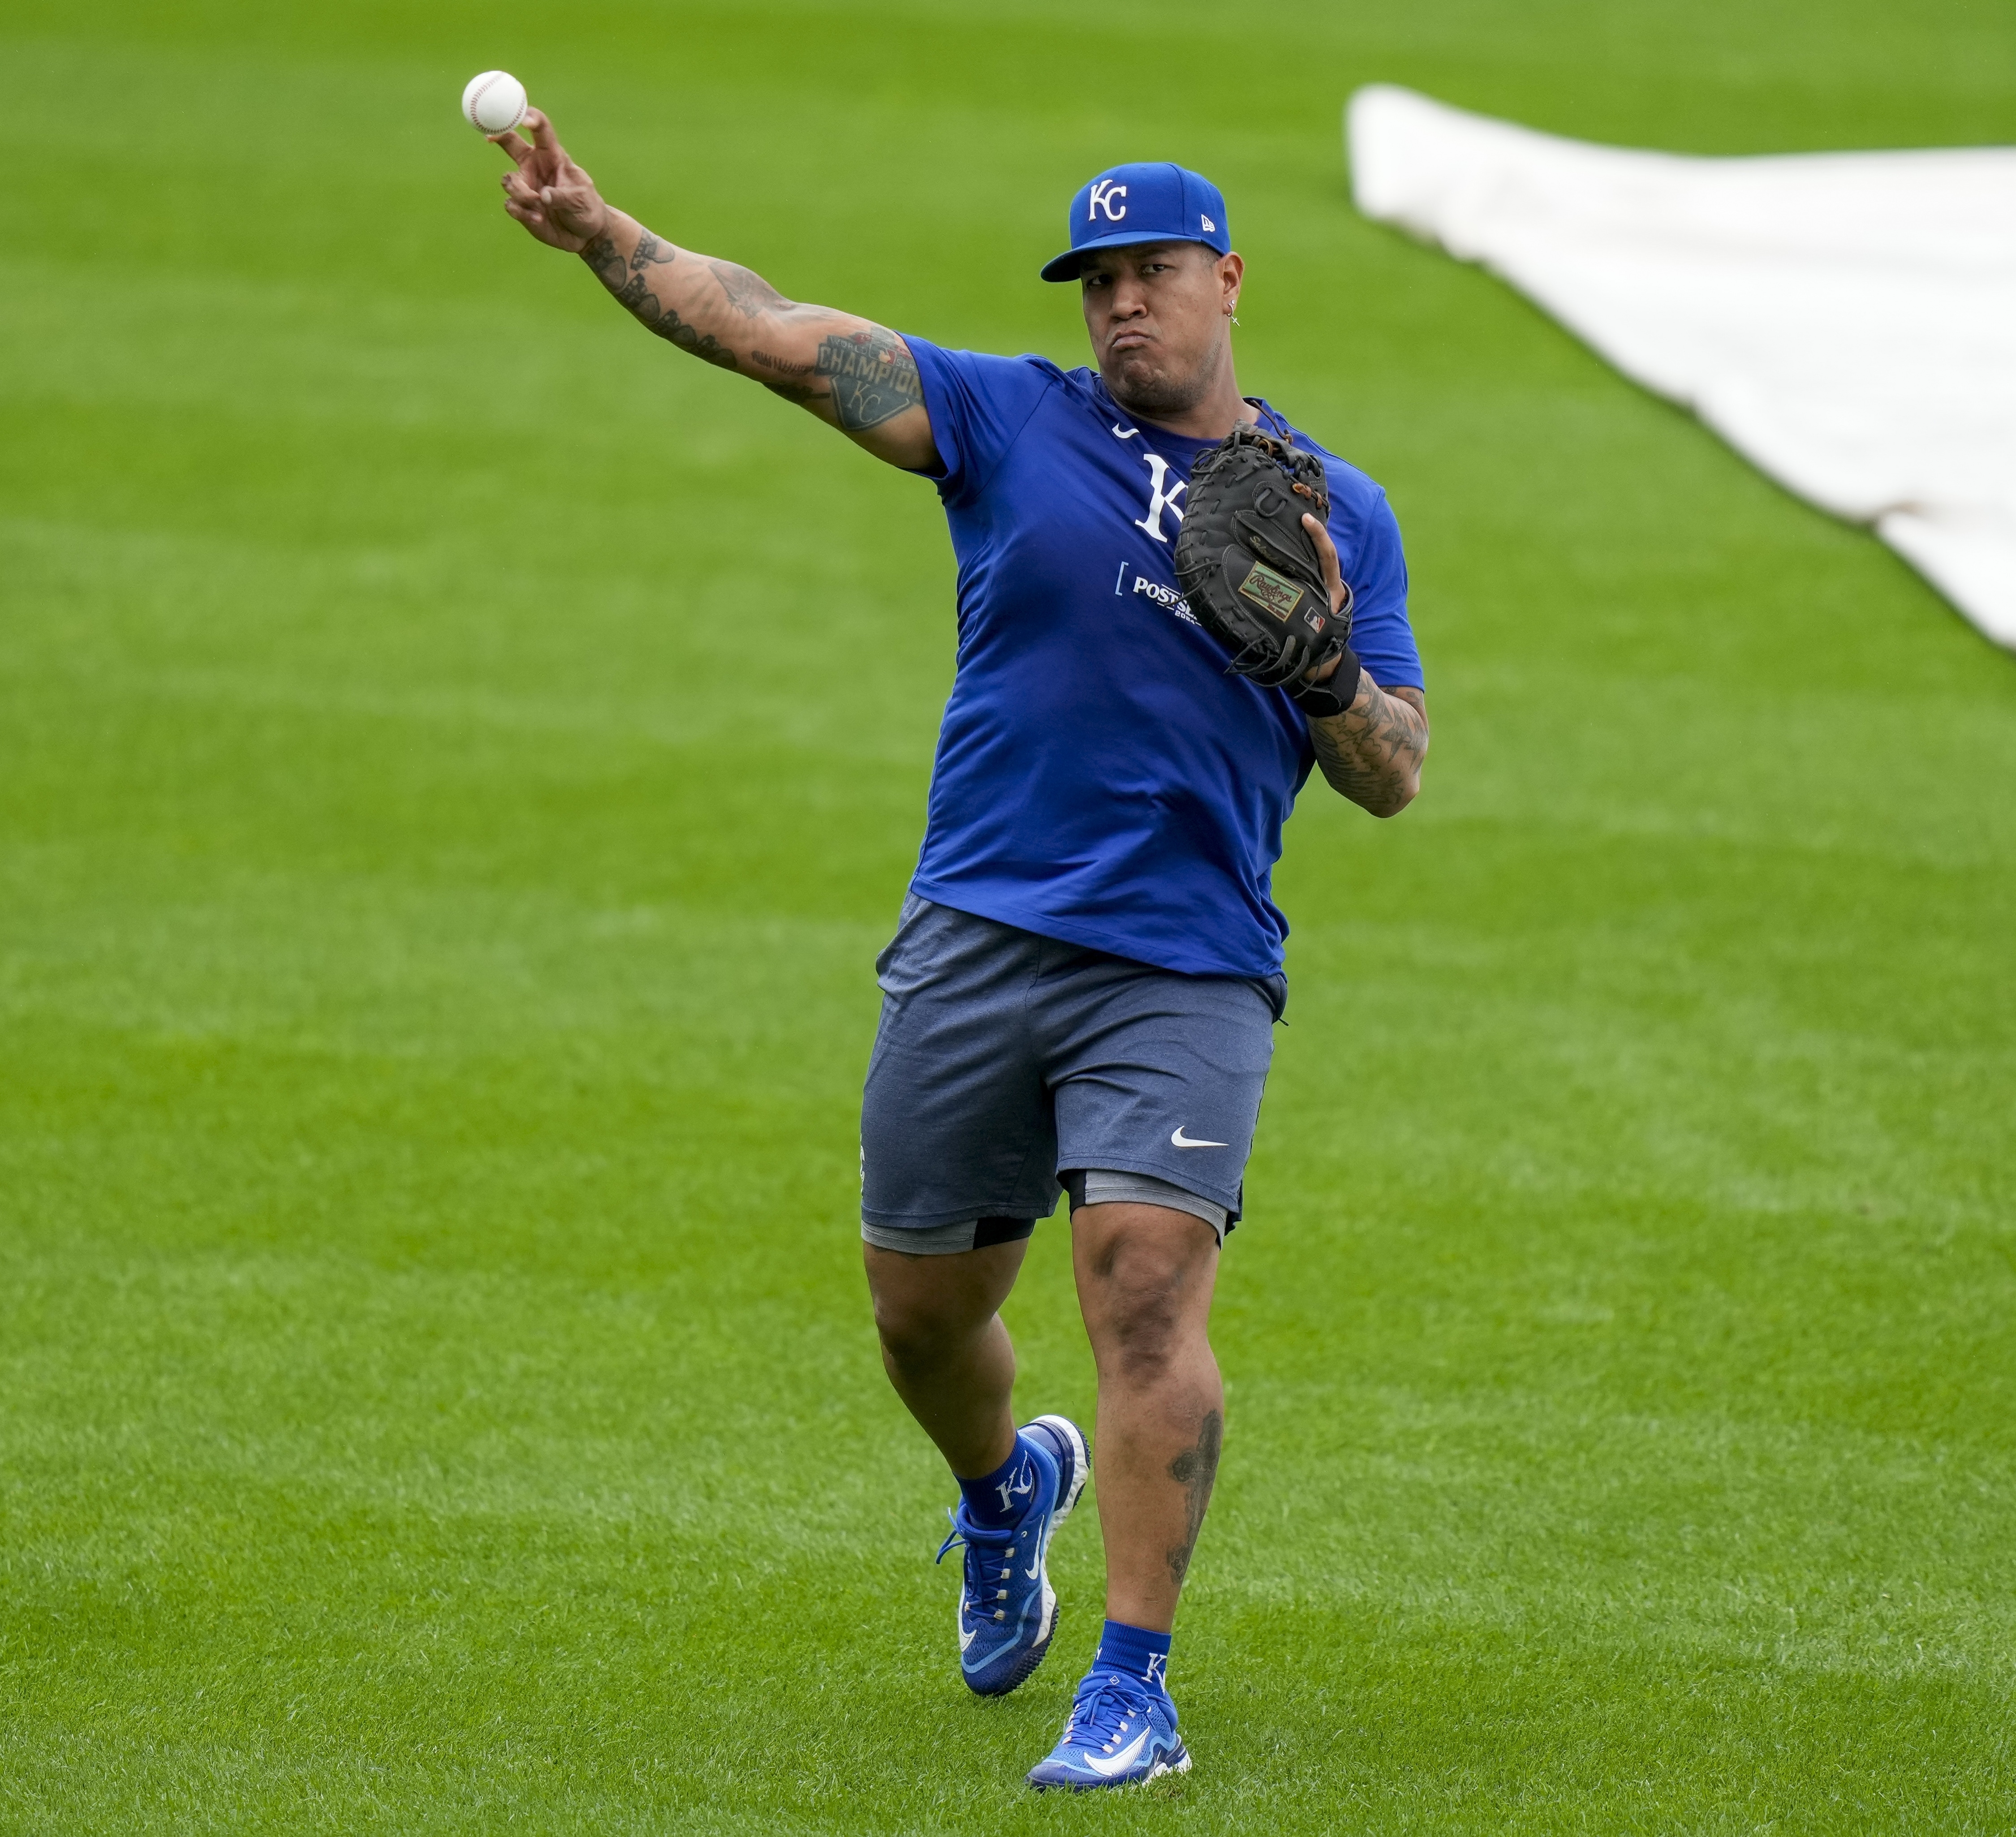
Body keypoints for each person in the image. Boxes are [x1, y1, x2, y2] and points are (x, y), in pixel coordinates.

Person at [488, 112, 1428, 1791]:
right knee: (923, 1316)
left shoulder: (1332, 509)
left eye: (1154, 275)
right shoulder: (1004, 418)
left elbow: (1395, 774)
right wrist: (605, 234)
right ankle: (1007, 1490)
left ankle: (1132, 1689)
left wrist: (1324, 671)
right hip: (981, 933)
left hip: (1186, 961)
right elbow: (779, 330)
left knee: (1143, 1283)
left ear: (1227, 280)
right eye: (1098, 283)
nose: (1124, 307)